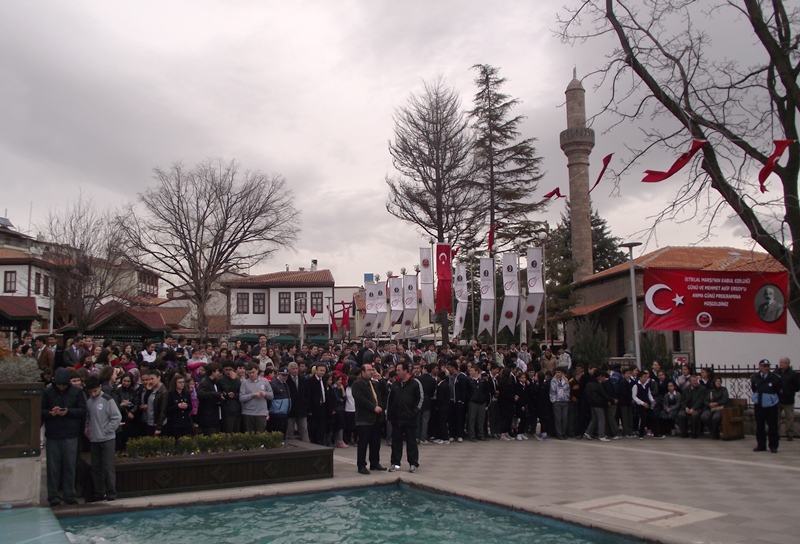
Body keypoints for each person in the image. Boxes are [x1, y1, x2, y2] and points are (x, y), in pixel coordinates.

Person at [42, 368, 87, 506]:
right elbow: (40, 411)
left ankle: (70, 496)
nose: (60, 387)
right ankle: (53, 497)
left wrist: (68, 412)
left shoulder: (77, 392)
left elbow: (82, 410)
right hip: (53, 434)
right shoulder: (47, 392)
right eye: (58, 385)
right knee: (53, 467)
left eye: (63, 385)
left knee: (70, 466)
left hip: (70, 434)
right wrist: (51, 413)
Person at [84, 376, 121, 502]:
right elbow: (88, 417)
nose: (93, 394)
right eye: (91, 392)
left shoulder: (107, 400)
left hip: (107, 439)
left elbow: (116, 417)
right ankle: (99, 492)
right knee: (96, 467)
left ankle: (111, 492)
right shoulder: (89, 402)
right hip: (94, 438)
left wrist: (107, 430)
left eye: (95, 391)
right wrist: (87, 428)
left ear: (99, 387)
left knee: (108, 467)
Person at [386, 360, 422, 473]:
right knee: (396, 442)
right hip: (397, 419)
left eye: (398, 370)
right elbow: (390, 401)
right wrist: (390, 417)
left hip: (410, 419)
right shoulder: (395, 384)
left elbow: (420, 399)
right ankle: (395, 463)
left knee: (411, 442)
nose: (396, 372)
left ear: (406, 371)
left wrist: (414, 413)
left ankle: (413, 463)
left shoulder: (415, 383)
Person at [352, 363, 386, 474]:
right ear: (362, 372)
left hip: (376, 418)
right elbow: (360, 399)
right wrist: (373, 407)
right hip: (364, 418)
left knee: (376, 442)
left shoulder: (374, 383)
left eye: (372, 370)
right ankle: (361, 465)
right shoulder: (358, 384)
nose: (371, 372)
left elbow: (382, 394)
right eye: (369, 370)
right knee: (363, 443)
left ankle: (375, 462)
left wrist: (381, 381)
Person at [751, 359, 782, 453]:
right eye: (764, 366)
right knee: (760, 426)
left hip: (771, 405)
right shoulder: (755, 377)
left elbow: (778, 390)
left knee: (772, 426)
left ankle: (773, 446)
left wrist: (772, 399)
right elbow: (754, 388)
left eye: (768, 366)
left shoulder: (775, 377)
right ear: (760, 367)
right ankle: (761, 445)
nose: (766, 368)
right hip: (759, 404)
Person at [239, 362, 274, 432]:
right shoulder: (244, 383)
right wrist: (253, 395)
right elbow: (241, 398)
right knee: (249, 436)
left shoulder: (264, 381)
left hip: (261, 413)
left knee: (260, 435)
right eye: (249, 373)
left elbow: (271, 395)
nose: (251, 375)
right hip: (248, 413)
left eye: (253, 372)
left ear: (257, 370)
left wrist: (265, 394)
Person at [197, 362, 226, 435]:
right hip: (208, 417)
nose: (219, 374)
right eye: (218, 371)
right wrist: (215, 394)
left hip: (215, 415)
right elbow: (200, 394)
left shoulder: (215, 382)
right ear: (213, 372)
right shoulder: (205, 382)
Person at [775, 357, 800, 441]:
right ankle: (776, 433)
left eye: (783, 363)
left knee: (789, 418)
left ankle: (789, 434)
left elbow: (797, 386)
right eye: (780, 362)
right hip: (777, 399)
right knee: (776, 417)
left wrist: (790, 391)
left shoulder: (793, 374)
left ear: (788, 364)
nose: (781, 364)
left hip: (788, 399)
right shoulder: (776, 373)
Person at [286, 361, 310, 442]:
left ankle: (307, 447)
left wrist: (305, 403)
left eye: (296, 368)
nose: (295, 370)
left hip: (301, 408)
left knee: (303, 428)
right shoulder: (287, 380)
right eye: (293, 369)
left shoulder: (302, 379)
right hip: (290, 409)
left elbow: (307, 393)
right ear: (289, 370)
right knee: (290, 430)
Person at [466, 364, 489, 441]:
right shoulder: (469, 380)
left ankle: (481, 434)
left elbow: (486, 391)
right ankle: (471, 435)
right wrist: (471, 398)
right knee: (472, 419)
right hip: (473, 402)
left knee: (481, 419)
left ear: (476, 371)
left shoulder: (483, 380)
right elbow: (468, 391)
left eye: (472, 370)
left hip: (482, 402)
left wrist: (485, 399)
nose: (470, 372)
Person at [166, 374, 193, 438]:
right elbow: (167, 409)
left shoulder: (186, 393)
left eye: (183, 382)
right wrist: (177, 406)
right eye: (179, 382)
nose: (182, 384)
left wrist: (187, 406)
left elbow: (191, 407)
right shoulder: (170, 394)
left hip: (186, 423)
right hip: (175, 423)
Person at [549, 367, 570, 439]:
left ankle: (564, 432)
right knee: (558, 418)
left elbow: (567, 390)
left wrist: (567, 398)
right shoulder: (553, 381)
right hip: (557, 401)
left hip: (565, 401)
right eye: (556, 372)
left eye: (559, 372)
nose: (558, 374)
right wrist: (554, 400)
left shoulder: (565, 381)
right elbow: (552, 391)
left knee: (565, 417)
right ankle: (559, 433)